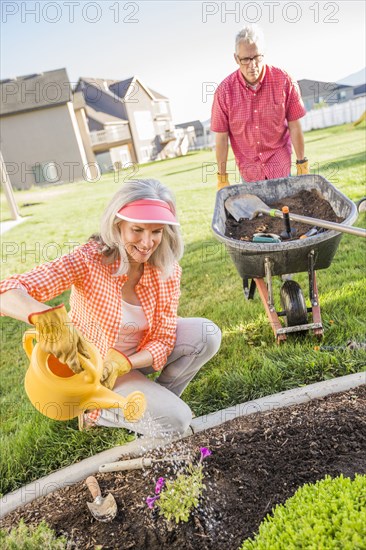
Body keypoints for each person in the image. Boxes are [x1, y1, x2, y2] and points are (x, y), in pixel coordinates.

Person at [0, 179, 221, 437]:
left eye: (157, 231)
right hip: (96, 371)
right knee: (178, 421)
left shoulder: (166, 270)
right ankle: (96, 409)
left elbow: (163, 339)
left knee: (207, 334)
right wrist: (48, 320)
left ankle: (149, 404)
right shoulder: (89, 260)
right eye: (137, 230)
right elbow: (7, 291)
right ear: (118, 226)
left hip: (129, 361)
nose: (148, 242)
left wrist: (124, 363)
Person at [211, 24, 309, 190]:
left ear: (263, 54)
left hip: (280, 164)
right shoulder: (224, 92)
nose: (252, 65)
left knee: (285, 210)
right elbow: (221, 138)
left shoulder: (284, 80)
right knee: (259, 214)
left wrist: (302, 164)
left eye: (256, 57)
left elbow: (295, 126)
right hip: (249, 171)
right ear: (236, 59)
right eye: (245, 59)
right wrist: (222, 178)